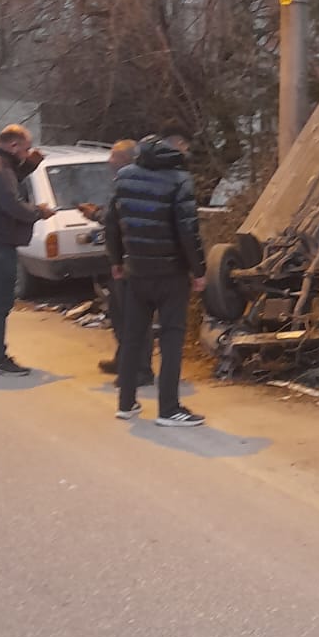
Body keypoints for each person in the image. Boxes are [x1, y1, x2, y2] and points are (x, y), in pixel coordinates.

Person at [104, 127, 207, 426]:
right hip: (170, 274)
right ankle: (169, 409)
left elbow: (112, 223)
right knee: (172, 338)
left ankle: (126, 403)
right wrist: (198, 271)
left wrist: (116, 260)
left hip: (135, 271)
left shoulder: (124, 178)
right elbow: (189, 231)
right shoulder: (179, 181)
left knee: (133, 336)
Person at [0, 123, 55, 376]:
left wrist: (28, 165)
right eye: (26, 150)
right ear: (14, 145)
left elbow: (8, 182)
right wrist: (39, 212)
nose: (28, 154)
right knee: (0, 302)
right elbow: (11, 205)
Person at [77, 139, 155, 388]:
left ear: (127, 160)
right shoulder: (128, 183)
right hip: (121, 258)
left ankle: (140, 370)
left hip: (133, 260)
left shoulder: (134, 184)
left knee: (135, 317)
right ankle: (124, 360)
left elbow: (119, 219)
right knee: (119, 314)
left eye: (114, 157)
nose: (109, 162)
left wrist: (96, 214)